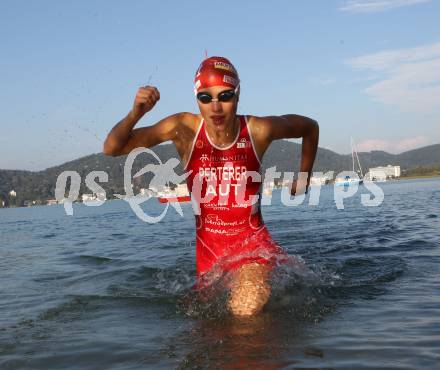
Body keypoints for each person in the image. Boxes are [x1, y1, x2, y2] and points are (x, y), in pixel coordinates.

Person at [103, 56, 319, 317]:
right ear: (197, 99)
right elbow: (112, 148)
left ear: (237, 96)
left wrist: (304, 176)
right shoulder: (183, 129)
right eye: (206, 98)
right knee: (208, 330)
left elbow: (309, 127)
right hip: (209, 255)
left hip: (252, 248)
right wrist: (136, 113)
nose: (215, 107)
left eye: (225, 96)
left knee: (244, 313)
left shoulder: (258, 129)